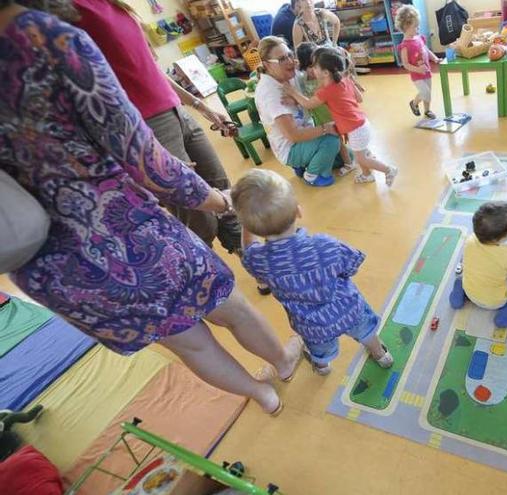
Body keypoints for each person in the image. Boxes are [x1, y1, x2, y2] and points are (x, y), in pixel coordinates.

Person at [0, 1, 301, 416]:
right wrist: (221, 199)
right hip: (125, 228)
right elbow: (146, 161)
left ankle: (260, 394)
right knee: (226, 304)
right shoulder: (44, 38)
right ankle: (283, 363)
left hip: (53, 264)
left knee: (189, 342)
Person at [71, 0, 244, 256]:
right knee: (198, 215)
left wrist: (201, 106)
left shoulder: (114, 5)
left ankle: (252, 261)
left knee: (223, 190)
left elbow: (150, 69)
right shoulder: (69, 12)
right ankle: (209, 279)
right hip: (147, 126)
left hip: (177, 112)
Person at [231, 169, 394, 375]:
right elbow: (352, 264)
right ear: (298, 211)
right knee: (366, 331)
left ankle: (322, 367)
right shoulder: (324, 245)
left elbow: (249, 250)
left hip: (312, 326)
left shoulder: (259, 260)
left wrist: (247, 227)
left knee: (320, 350)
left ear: (249, 226)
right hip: (349, 309)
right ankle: (381, 355)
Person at [286, 50, 398, 186]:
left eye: (315, 67)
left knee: (361, 159)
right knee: (360, 155)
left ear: (326, 73)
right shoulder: (344, 81)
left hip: (356, 129)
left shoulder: (326, 91)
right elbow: (359, 98)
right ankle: (367, 175)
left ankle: (388, 170)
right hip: (361, 123)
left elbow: (308, 104)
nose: (313, 69)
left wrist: (292, 92)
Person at [254, 36, 354, 187]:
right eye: (281, 59)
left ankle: (303, 164)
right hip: (291, 147)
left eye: (289, 55)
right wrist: (326, 128)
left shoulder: (290, 74)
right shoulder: (270, 93)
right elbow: (293, 135)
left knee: (347, 155)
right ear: (267, 64)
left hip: (306, 133)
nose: (289, 61)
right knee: (332, 141)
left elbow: (316, 76)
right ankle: (312, 175)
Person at [449, 202, 507, 328]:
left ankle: (461, 291)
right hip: (496, 302)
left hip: (471, 292)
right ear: (500, 238)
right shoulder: (506, 254)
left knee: (470, 274)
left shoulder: (469, 240)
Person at [395, 5, 439, 119]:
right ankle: (414, 103)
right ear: (405, 26)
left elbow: (426, 50)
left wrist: (434, 58)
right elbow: (405, 64)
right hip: (417, 75)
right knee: (425, 93)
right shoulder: (404, 46)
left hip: (427, 71)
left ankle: (427, 110)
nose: (418, 29)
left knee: (428, 92)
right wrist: (418, 69)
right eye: (415, 27)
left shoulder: (419, 38)